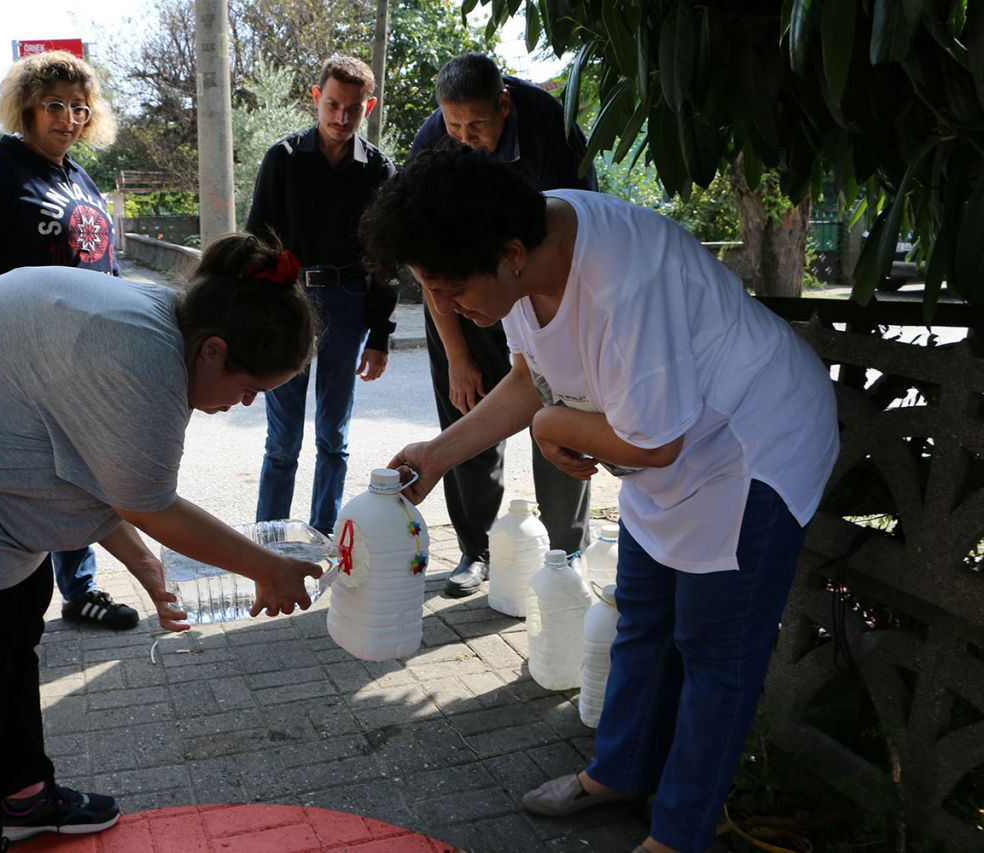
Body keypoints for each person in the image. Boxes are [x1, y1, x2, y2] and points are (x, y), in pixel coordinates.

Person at [360, 148, 839, 853]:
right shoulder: (524, 242)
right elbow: (533, 376)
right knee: (643, 616)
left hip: (751, 446)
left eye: (450, 289)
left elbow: (655, 443)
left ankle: (677, 833)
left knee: (714, 652)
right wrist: (439, 452)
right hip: (671, 439)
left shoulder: (624, 281)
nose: (446, 308)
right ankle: (618, 772)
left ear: (511, 256)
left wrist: (556, 426)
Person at [0, 234, 324, 852]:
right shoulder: (140, 361)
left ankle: (21, 798)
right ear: (214, 350)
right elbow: (149, 504)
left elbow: (100, 473)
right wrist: (267, 569)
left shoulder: (155, 323)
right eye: (250, 389)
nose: (243, 404)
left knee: (15, 622)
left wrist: (147, 566)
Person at [408, 53, 598, 597]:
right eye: (454, 127)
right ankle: (477, 550)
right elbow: (428, 267)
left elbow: (576, 234)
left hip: (539, 288)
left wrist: (556, 335)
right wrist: (459, 356)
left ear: (505, 105)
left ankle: (565, 554)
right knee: (468, 411)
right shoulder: (432, 143)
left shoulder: (551, 132)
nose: (465, 138)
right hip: (460, 296)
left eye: (478, 126)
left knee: (562, 413)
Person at [0, 49, 135, 630]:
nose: (68, 118)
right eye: (54, 105)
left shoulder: (78, 175)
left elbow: (103, 262)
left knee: (81, 470)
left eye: (79, 108)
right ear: (27, 109)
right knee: (41, 475)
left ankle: (78, 588)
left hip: (87, 354)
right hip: (27, 356)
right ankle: (32, 591)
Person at [246, 54, 398, 536]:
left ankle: (324, 536)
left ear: (367, 107)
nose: (340, 118)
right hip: (287, 305)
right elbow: (256, 244)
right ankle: (269, 539)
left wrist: (380, 335)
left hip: (348, 304)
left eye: (353, 109)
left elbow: (384, 260)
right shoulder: (283, 159)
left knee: (334, 436)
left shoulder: (378, 170)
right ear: (316, 97)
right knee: (283, 438)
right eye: (332, 104)